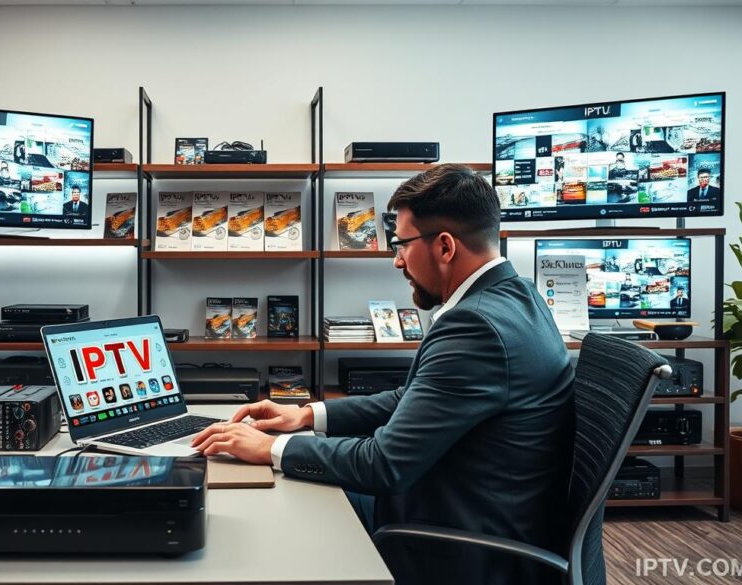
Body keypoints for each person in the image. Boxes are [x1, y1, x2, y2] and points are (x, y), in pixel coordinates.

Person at [192, 164, 575, 585]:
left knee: (273, 516)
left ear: (445, 247)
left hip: (456, 542)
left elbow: (384, 464)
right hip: (468, 507)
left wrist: (271, 448)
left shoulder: (476, 327)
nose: (396, 260)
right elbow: (412, 398)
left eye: (402, 245)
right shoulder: (517, 296)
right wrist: (306, 416)